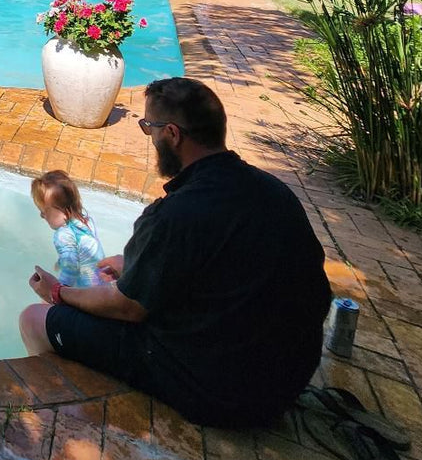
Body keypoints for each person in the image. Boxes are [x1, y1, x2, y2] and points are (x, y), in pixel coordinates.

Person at [18, 77, 331, 428]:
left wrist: (59, 292)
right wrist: (136, 268)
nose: (149, 138)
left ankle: (57, 423)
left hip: (218, 394)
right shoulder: (273, 192)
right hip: (283, 382)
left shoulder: (175, 214)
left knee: (34, 318)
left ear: (172, 134)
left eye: (148, 127)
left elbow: (127, 308)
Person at [32, 171, 107, 288]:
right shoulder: (86, 220)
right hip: (103, 280)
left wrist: (56, 293)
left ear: (64, 213)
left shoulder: (63, 235)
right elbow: (79, 252)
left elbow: (71, 270)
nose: (42, 216)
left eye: (44, 212)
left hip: (87, 291)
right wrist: (61, 262)